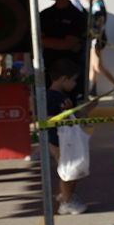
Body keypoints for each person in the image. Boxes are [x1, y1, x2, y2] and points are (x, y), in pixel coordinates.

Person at [47, 59, 93, 215]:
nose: (75, 84)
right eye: (73, 80)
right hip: (59, 141)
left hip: (69, 140)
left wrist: (86, 109)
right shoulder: (51, 97)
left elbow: (71, 116)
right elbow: (48, 118)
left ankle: (67, 195)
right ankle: (66, 202)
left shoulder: (63, 96)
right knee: (67, 172)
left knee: (75, 169)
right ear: (64, 78)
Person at [40, 0, 87, 104]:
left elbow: (68, 44)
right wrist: (60, 43)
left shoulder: (76, 16)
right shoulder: (45, 15)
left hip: (69, 70)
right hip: (48, 67)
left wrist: (46, 42)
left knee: (68, 104)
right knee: (48, 103)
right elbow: (36, 40)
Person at [80, 0, 114, 97]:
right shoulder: (96, 4)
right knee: (92, 67)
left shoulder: (97, 5)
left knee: (98, 66)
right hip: (95, 37)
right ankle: (89, 90)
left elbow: (100, 19)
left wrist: (99, 38)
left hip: (97, 37)